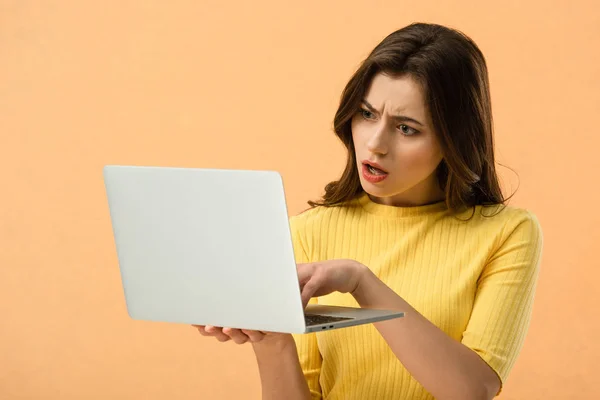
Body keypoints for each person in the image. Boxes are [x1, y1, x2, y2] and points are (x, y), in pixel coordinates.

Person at [193, 22, 543, 400]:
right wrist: (271, 339)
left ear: (454, 139)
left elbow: (472, 390)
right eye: (367, 113)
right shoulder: (311, 231)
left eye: (407, 129)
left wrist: (361, 281)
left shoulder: (507, 234)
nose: (375, 144)